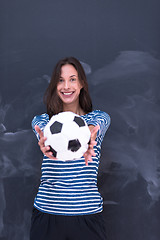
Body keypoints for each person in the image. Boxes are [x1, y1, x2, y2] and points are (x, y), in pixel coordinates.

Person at [30, 57, 111, 240]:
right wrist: (45, 142)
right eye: (60, 80)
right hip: (47, 215)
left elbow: (99, 123)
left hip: (88, 217)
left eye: (72, 79)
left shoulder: (98, 119)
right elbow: (43, 133)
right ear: (54, 85)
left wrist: (88, 133)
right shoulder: (43, 121)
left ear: (82, 83)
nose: (66, 86)